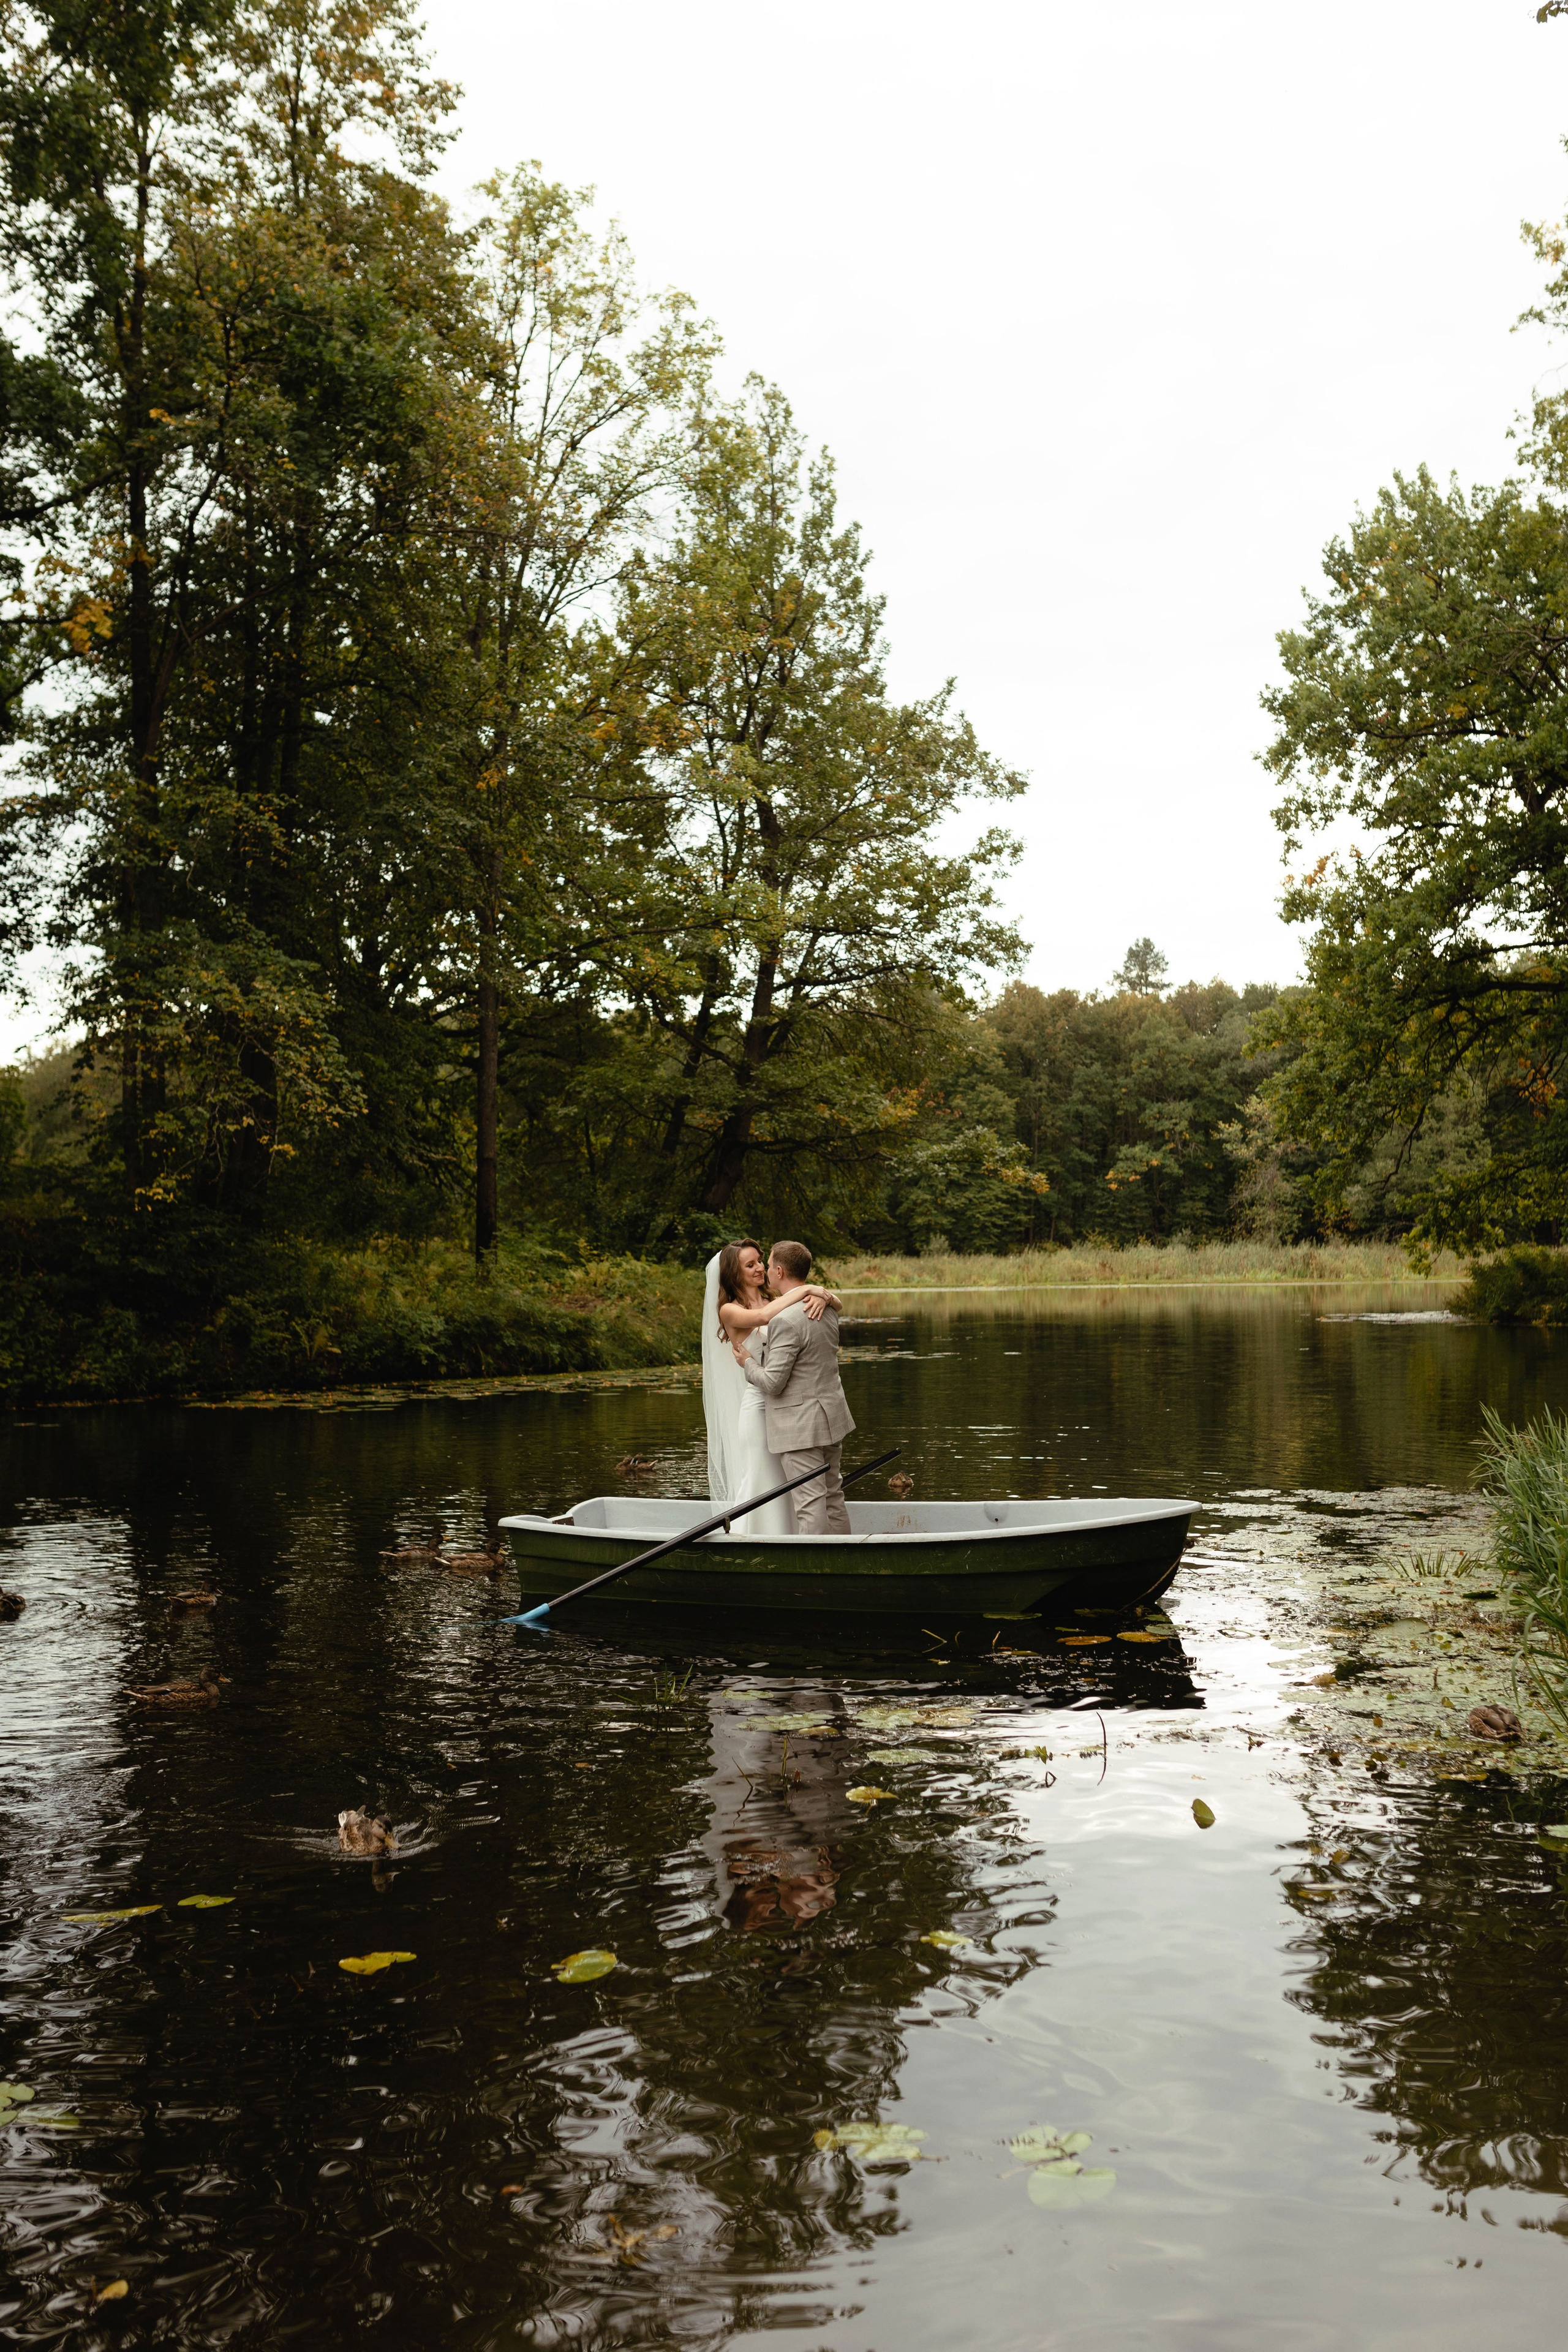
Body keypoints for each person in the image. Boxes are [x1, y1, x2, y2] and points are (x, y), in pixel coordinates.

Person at [700, 1241, 841, 1530]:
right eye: (749, 1265)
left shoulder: (775, 1298)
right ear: (733, 1273)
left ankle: (793, 1537)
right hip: (759, 1405)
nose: (760, 1268)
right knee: (762, 1475)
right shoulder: (730, 1310)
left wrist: (824, 1298)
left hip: (788, 1407)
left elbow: (816, 1306)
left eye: (760, 1261)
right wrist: (808, 1289)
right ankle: (754, 1535)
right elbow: (764, 1318)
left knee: (794, 1481)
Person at [736, 1240, 856, 1535]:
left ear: (779, 1271)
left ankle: (815, 1575)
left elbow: (774, 1384)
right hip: (832, 1418)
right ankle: (846, 1562)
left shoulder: (784, 1320)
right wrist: (823, 1295)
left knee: (810, 1506)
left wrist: (749, 1363)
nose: (763, 1268)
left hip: (800, 1428)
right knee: (833, 1497)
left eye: (767, 1263)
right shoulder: (826, 1307)